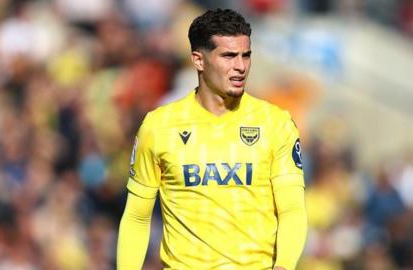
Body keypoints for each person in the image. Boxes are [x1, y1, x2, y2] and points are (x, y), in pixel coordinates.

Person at [117, 9, 307, 270]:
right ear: (198, 60)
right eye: (228, 56)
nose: (240, 66)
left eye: (246, 55)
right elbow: (137, 217)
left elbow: (292, 210)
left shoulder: (276, 123)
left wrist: (284, 265)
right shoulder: (159, 126)